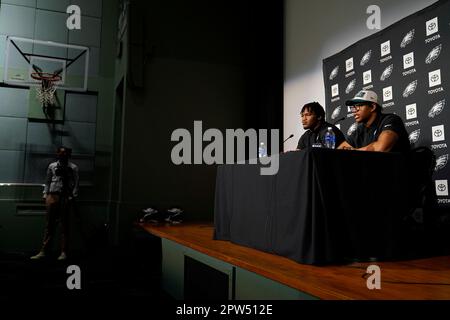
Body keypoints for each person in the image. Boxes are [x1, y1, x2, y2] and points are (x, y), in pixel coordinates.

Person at [30, 146, 79, 260]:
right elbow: (47, 180)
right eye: (61, 153)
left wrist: (73, 196)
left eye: (65, 153)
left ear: (69, 155)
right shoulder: (52, 166)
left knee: (64, 225)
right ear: (57, 154)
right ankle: (44, 251)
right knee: (49, 224)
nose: (63, 155)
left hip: (65, 196)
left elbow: (76, 183)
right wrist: (45, 194)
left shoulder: (73, 167)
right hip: (52, 195)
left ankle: (63, 252)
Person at [338, 90, 410, 153]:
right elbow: (339, 150)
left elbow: (380, 149)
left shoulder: (390, 120)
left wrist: (353, 151)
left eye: (358, 106)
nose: (354, 111)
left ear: (372, 107)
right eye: (352, 108)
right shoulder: (360, 129)